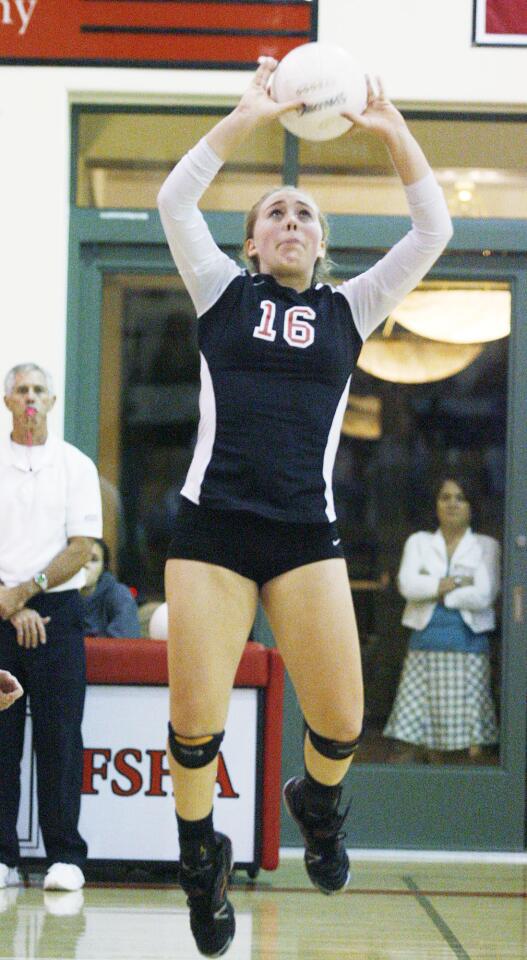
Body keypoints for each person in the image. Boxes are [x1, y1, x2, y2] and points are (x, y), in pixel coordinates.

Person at [157, 57, 452, 957]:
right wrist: (246, 112)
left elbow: (431, 227)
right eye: (274, 214)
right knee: (196, 725)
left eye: (305, 215)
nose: (290, 221)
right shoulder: (220, 292)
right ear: (250, 243)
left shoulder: (350, 308)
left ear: (321, 245)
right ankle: (200, 857)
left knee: (340, 723)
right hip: (212, 529)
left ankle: (318, 802)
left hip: (303, 535)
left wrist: (389, 125)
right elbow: (175, 201)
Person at [0, 363, 102, 893]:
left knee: (61, 737)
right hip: (0, 613)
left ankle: (65, 856)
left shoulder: (75, 465)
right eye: (21, 390)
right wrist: (11, 604)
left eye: (39, 390)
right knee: (1, 740)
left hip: (58, 616)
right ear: (7, 401)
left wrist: (26, 592)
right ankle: (3, 857)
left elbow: (81, 549)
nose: (31, 398)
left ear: (53, 400)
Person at [384, 476, 500, 764]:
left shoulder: (487, 545)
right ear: (435, 504)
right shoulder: (419, 542)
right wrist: (455, 583)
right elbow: (408, 585)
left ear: (472, 506)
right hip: (423, 649)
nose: (452, 504)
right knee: (414, 741)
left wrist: (439, 591)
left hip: (469, 650)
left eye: (460, 498)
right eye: (445, 497)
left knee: (464, 746)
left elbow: (485, 594)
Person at [81, 539, 141, 639]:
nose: (86, 565)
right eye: (79, 558)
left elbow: (125, 643)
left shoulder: (120, 595)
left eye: (93, 560)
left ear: (103, 567)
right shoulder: (57, 593)